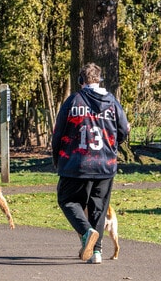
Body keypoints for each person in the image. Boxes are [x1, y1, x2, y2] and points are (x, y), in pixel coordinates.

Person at [51, 63, 130, 264]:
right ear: (100, 79)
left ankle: (87, 232)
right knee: (99, 208)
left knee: (67, 200)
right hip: (106, 164)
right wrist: (112, 146)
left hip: (76, 163)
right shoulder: (112, 101)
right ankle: (97, 252)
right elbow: (123, 130)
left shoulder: (72, 101)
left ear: (81, 81)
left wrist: (56, 159)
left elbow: (58, 132)